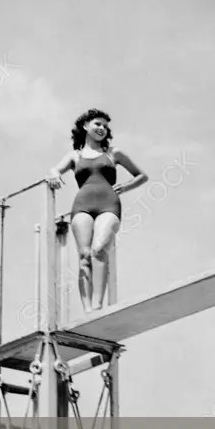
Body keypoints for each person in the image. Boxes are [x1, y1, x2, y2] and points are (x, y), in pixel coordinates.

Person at [47, 109, 148, 313]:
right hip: (82, 205)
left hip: (108, 204)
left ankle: (98, 305)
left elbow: (142, 175)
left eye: (105, 126)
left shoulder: (113, 153)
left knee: (99, 249)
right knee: (84, 255)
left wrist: (126, 186)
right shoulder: (75, 156)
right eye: (97, 124)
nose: (102, 128)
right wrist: (55, 175)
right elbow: (54, 169)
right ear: (85, 126)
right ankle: (87, 310)